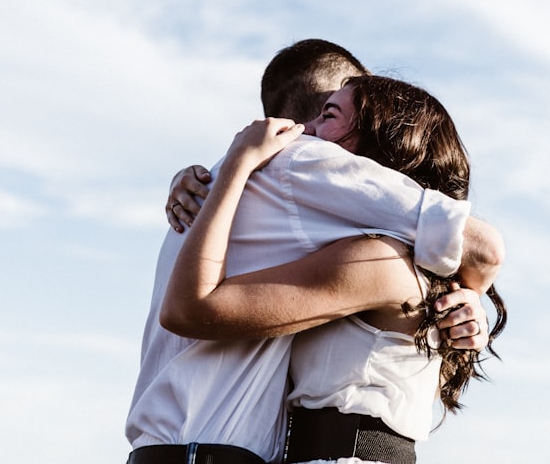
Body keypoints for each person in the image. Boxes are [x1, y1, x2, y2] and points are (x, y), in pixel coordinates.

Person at [125, 40, 504, 464]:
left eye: (330, 118)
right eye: (325, 112)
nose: (306, 136)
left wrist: (468, 294)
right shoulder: (300, 189)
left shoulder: (382, 261)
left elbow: (483, 250)